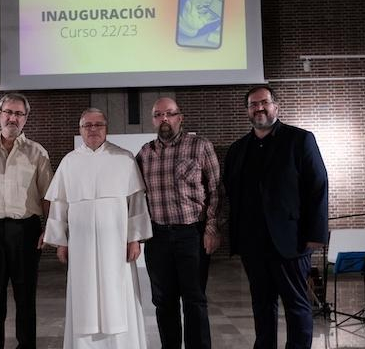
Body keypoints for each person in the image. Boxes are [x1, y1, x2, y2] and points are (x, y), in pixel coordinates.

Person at [224, 86, 329, 349]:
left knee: (296, 305)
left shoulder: (300, 140)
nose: (259, 108)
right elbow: (231, 194)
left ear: (276, 106)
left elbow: (318, 187)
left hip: (291, 242)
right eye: (252, 104)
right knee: (261, 305)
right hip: (252, 244)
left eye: (264, 103)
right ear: (246, 110)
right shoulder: (237, 149)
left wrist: (316, 235)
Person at [43, 108, 153, 349]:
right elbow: (59, 204)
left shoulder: (123, 158)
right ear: (80, 130)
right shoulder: (69, 161)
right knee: (84, 294)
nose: (93, 129)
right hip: (81, 246)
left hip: (116, 244)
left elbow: (136, 202)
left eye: (98, 125)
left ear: (106, 128)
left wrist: (134, 238)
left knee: (119, 290)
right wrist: (61, 241)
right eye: (87, 126)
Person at [136, 97, 222, 349]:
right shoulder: (145, 153)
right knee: (163, 302)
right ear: (153, 120)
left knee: (194, 300)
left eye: (170, 114)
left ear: (180, 117)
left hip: (191, 235)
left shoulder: (200, 146)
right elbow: (136, 197)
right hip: (157, 237)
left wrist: (211, 228)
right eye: (158, 114)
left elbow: (217, 190)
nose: (164, 119)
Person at [0, 93, 53, 349]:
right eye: (8, 112)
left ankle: (26, 345)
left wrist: (48, 227)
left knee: (25, 294)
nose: (12, 118)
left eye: (19, 114)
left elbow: (48, 194)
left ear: (26, 118)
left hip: (26, 230)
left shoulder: (37, 152)